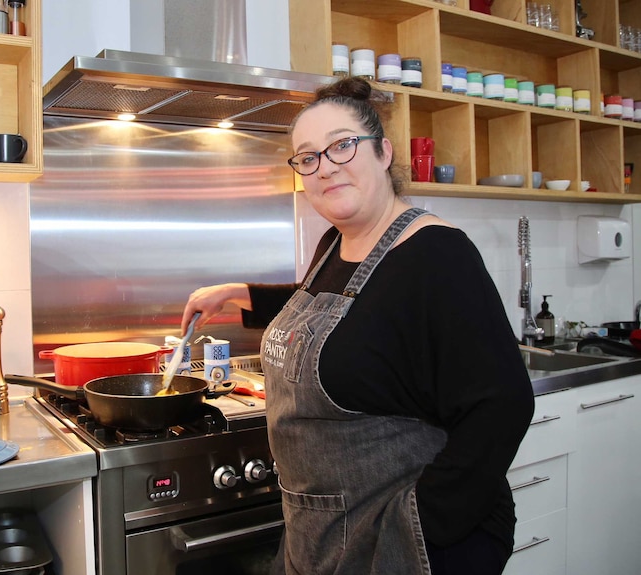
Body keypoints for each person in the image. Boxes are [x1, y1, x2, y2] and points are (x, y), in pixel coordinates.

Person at [179, 76, 534, 575]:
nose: (325, 167)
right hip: (323, 533)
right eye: (308, 157)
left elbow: (503, 405)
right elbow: (357, 314)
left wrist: (420, 525)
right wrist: (236, 295)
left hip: (412, 543)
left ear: (384, 153)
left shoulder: (437, 254)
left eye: (342, 146)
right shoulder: (334, 244)